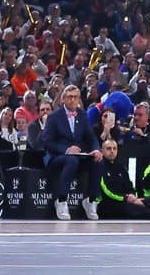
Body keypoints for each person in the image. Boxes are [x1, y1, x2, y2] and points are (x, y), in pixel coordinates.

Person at [40, 85, 102, 221]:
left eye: (75, 97)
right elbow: (47, 142)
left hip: (78, 156)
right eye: (69, 97)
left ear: (79, 99)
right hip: (56, 156)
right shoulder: (54, 117)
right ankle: (61, 200)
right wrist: (67, 150)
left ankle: (90, 200)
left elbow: (91, 137)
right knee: (71, 160)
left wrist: (96, 149)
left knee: (97, 160)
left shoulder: (83, 115)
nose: (72, 100)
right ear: (63, 99)